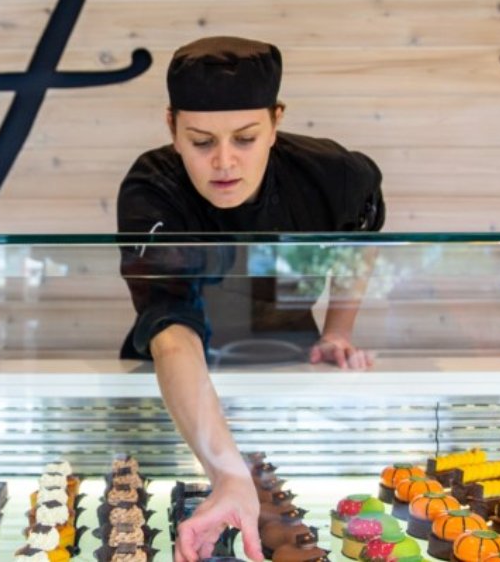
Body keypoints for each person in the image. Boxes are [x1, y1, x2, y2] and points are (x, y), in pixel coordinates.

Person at [116, 36, 386, 561]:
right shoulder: (152, 190)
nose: (224, 162)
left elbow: (360, 242)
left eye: (245, 138)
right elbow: (172, 333)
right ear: (171, 126)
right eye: (200, 141)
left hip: (289, 364)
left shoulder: (333, 174)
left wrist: (338, 332)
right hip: (180, 381)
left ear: (276, 120)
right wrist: (228, 475)